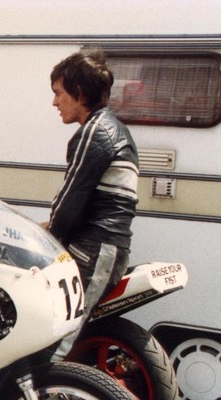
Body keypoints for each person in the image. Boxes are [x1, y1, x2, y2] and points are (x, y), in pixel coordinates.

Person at [43, 50, 139, 358]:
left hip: (95, 250)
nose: (54, 102)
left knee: (56, 341)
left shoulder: (95, 132)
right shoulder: (111, 128)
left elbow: (70, 202)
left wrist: (44, 243)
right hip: (100, 248)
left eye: (58, 93)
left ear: (79, 93)